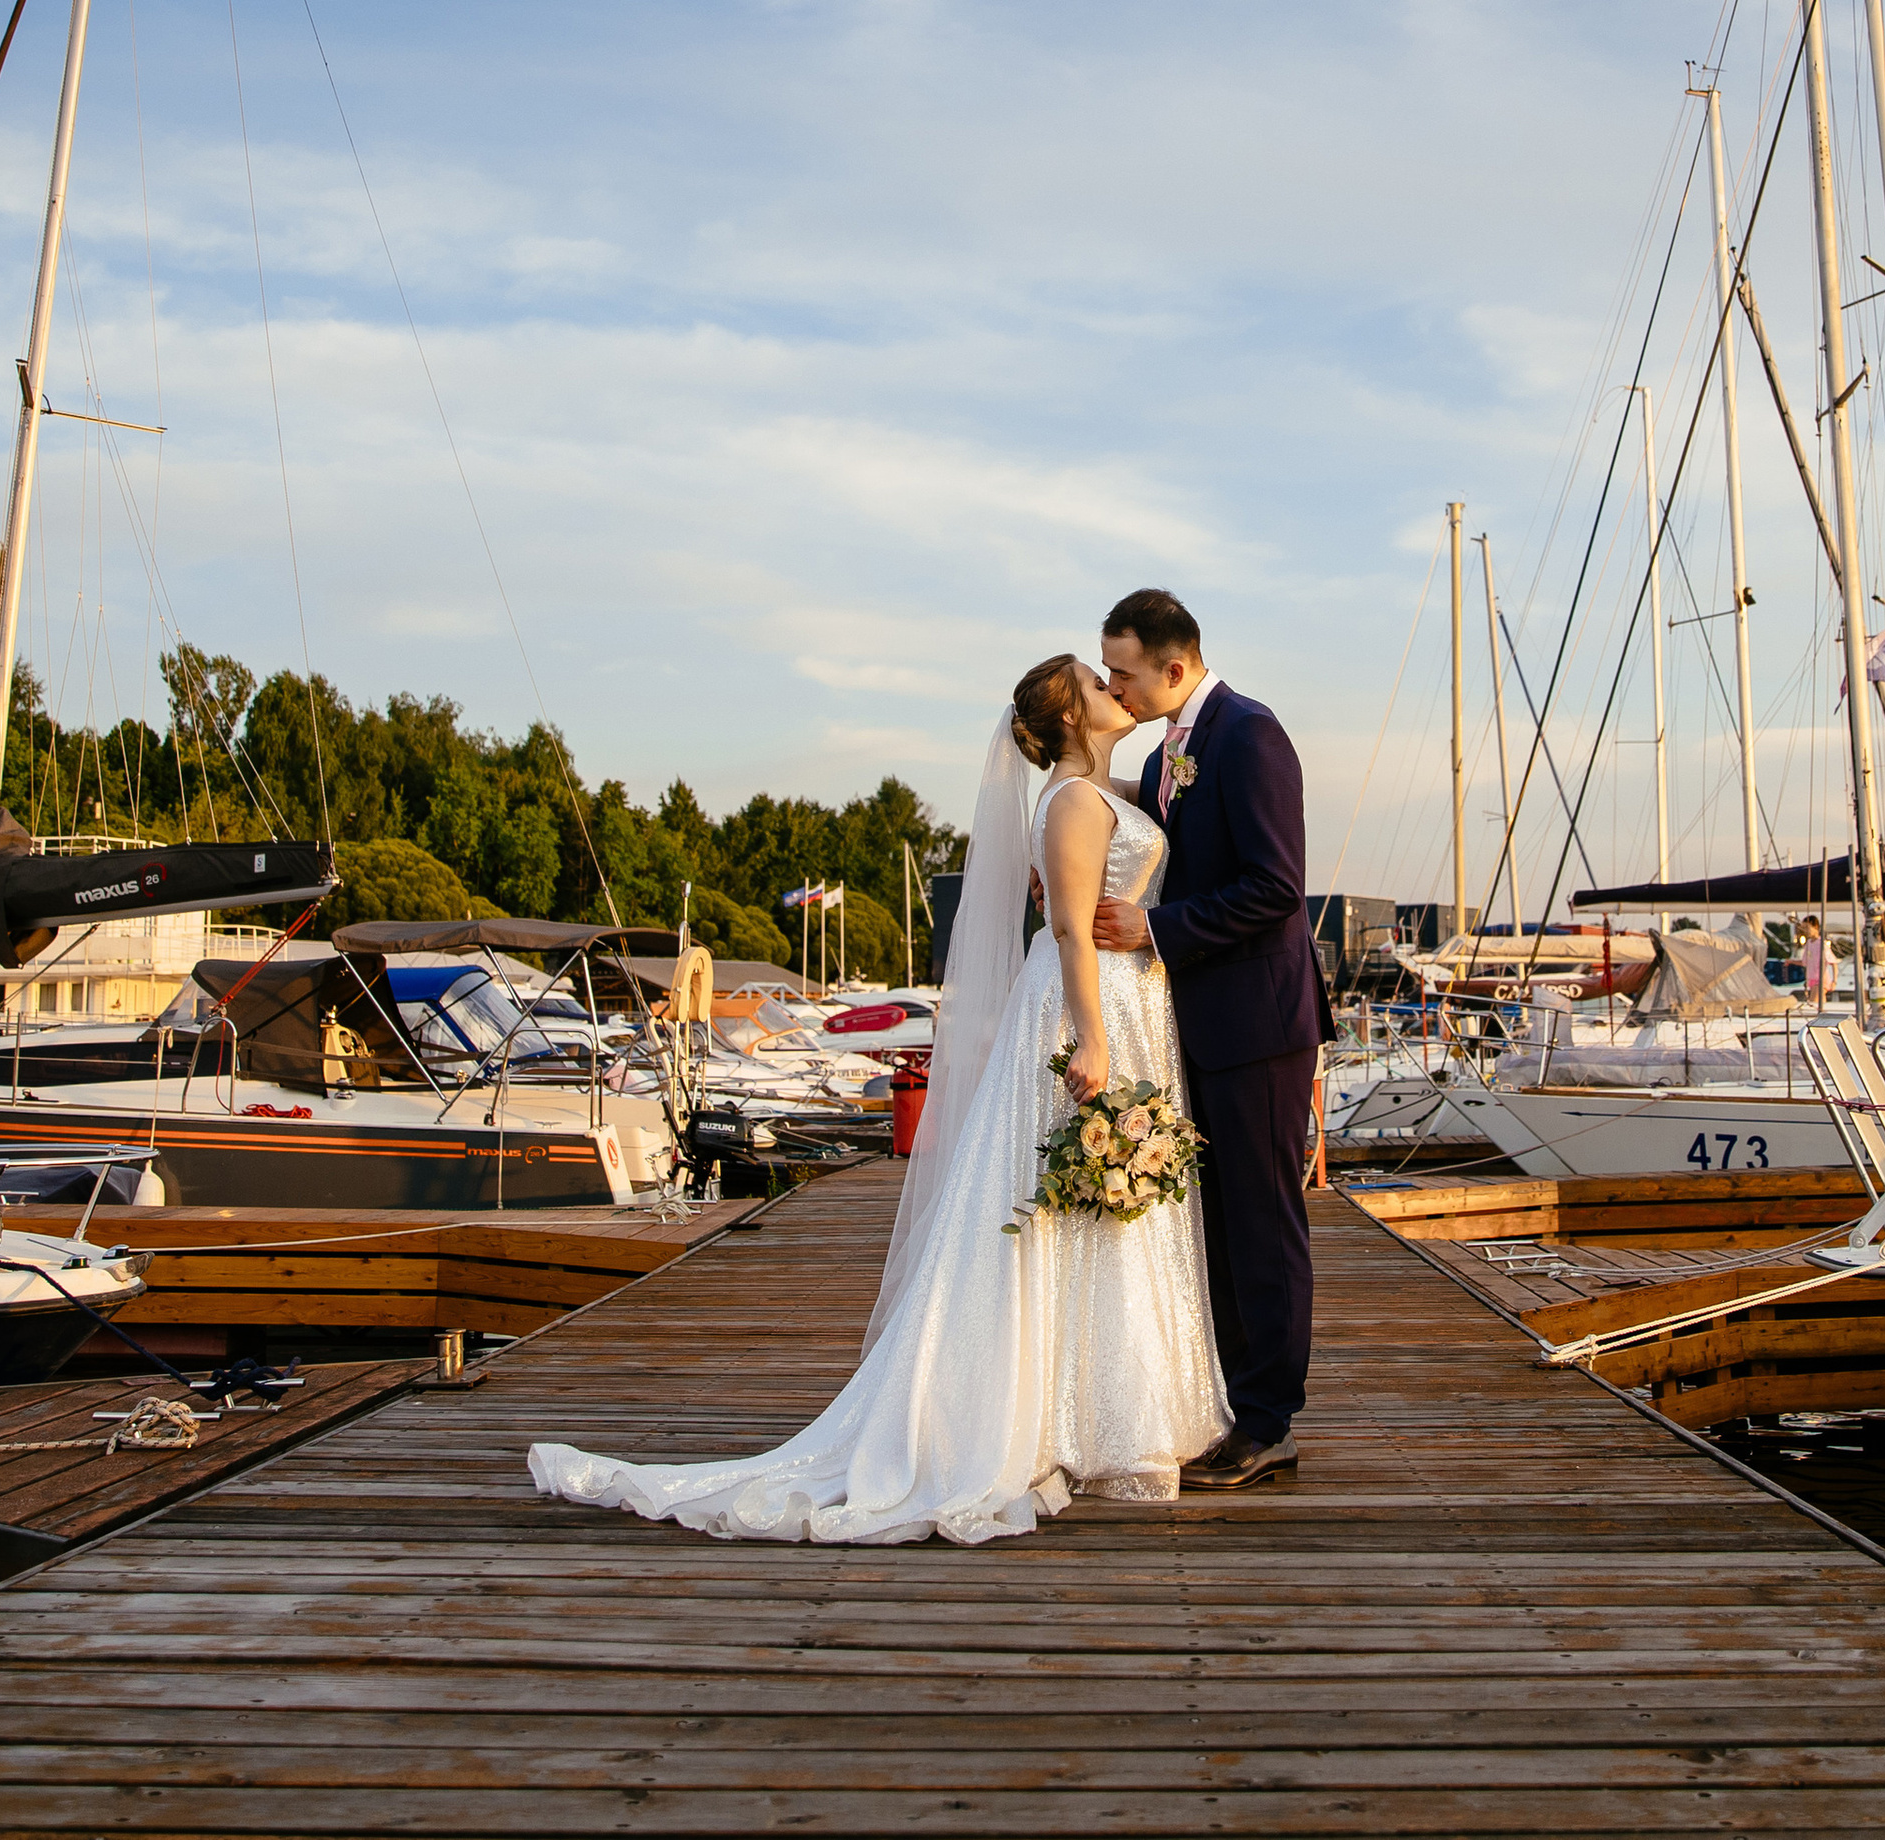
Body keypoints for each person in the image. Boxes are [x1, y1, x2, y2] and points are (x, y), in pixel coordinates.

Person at [523, 656, 1227, 1545]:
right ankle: (1067, 1419)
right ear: (1070, 718)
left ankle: (1093, 1412)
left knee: (1089, 1205)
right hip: (1090, 1001)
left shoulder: (1101, 788)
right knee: (1071, 1199)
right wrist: (1092, 1037)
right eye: (1098, 684)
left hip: (1127, 997)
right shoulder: (1076, 803)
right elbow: (1069, 931)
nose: (1116, 691)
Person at [1093, 588, 1328, 1489]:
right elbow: (1150, 830)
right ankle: (1233, 1404)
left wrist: (1156, 931)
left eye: (1125, 670)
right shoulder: (1166, 752)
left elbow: (1277, 888)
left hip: (1261, 1024)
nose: (1116, 684)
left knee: (1262, 1224)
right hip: (1198, 1024)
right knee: (1218, 1225)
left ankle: (1270, 1422)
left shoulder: (1250, 735)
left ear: (1175, 667)